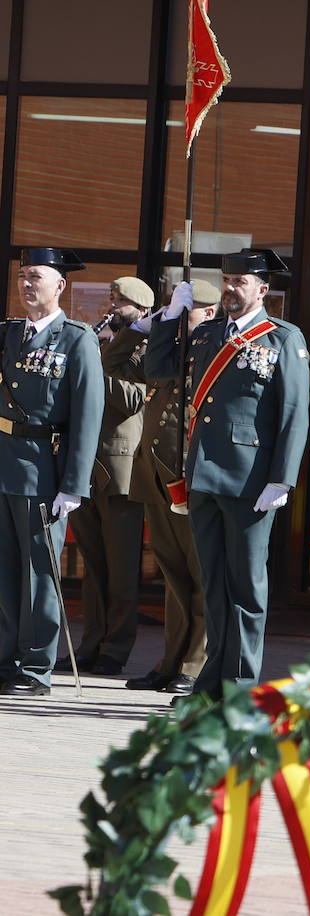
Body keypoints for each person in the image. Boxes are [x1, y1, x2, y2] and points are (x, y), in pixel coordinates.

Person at [144, 249, 309, 699]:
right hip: (203, 474)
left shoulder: (282, 338)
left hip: (251, 479)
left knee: (246, 587)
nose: (232, 288)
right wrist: (170, 316)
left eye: (241, 282)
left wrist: (283, 478)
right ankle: (210, 682)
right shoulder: (209, 333)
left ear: (263, 289)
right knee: (213, 584)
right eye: (228, 280)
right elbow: (157, 369)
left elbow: (294, 413)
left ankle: (239, 687)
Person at [105, 279, 220, 695]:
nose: (176, 318)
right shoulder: (163, 352)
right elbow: (111, 365)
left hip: (190, 480)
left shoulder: (212, 355)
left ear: (208, 313)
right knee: (173, 578)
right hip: (154, 477)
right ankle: (170, 661)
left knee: (201, 577)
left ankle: (195, 663)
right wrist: (142, 328)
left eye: (184, 310)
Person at [0, 247, 103, 697]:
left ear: (59, 285)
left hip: (44, 467)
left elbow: (88, 415)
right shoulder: (6, 333)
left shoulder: (76, 338)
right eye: (22, 275)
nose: (26, 284)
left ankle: (35, 667)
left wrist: (74, 485)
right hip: (4, 461)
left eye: (36, 276)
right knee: (3, 571)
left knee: (39, 573)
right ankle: (4, 660)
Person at [64, 277, 155, 676]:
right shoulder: (99, 343)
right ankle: (89, 643)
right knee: (93, 566)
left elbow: (133, 399)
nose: (113, 307)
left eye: (122, 302)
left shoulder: (147, 348)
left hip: (120, 469)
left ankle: (115, 649)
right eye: (112, 299)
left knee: (120, 570)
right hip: (86, 466)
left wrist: (88, 371)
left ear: (142, 311)